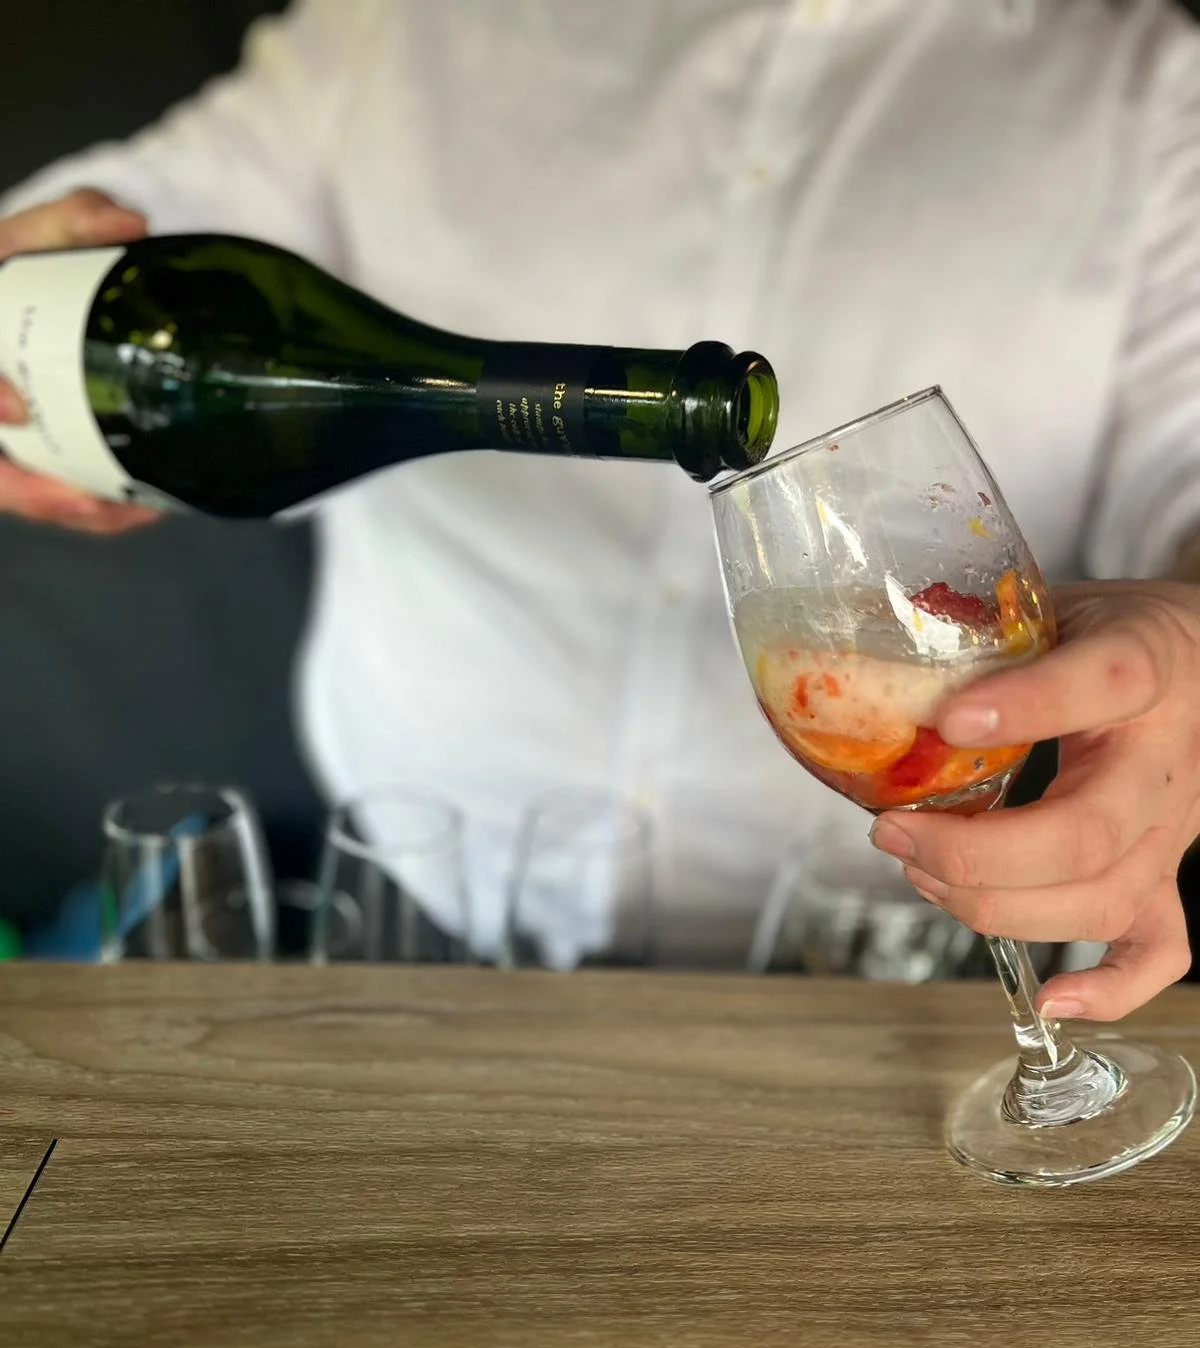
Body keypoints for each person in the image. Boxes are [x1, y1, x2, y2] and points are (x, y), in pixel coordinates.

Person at [1, 0, 1199, 1013]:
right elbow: (120, 225)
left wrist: (1189, 644)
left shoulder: (1147, 98)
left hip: (890, 977)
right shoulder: (396, 30)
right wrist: (30, 312)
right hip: (411, 935)